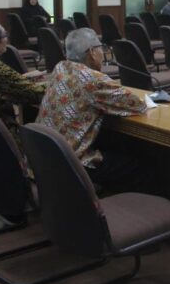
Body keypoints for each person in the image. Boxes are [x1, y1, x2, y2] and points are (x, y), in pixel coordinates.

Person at [36, 28, 149, 193]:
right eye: (100, 48)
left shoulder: (60, 68)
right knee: (140, 167)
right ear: (92, 52)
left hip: (47, 154)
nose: (103, 52)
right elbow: (137, 105)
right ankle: (122, 212)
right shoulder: (92, 79)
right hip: (73, 161)